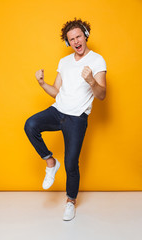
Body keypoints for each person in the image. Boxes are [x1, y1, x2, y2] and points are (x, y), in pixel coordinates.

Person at [24, 17, 107, 221]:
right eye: (71, 39)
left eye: (79, 36)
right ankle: (50, 162)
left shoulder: (97, 60)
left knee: (71, 163)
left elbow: (102, 94)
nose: (76, 41)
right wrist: (42, 83)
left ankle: (70, 201)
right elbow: (56, 91)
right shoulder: (64, 62)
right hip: (58, 110)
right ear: (67, 42)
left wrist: (91, 81)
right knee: (30, 125)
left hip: (77, 118)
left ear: (85, 36)